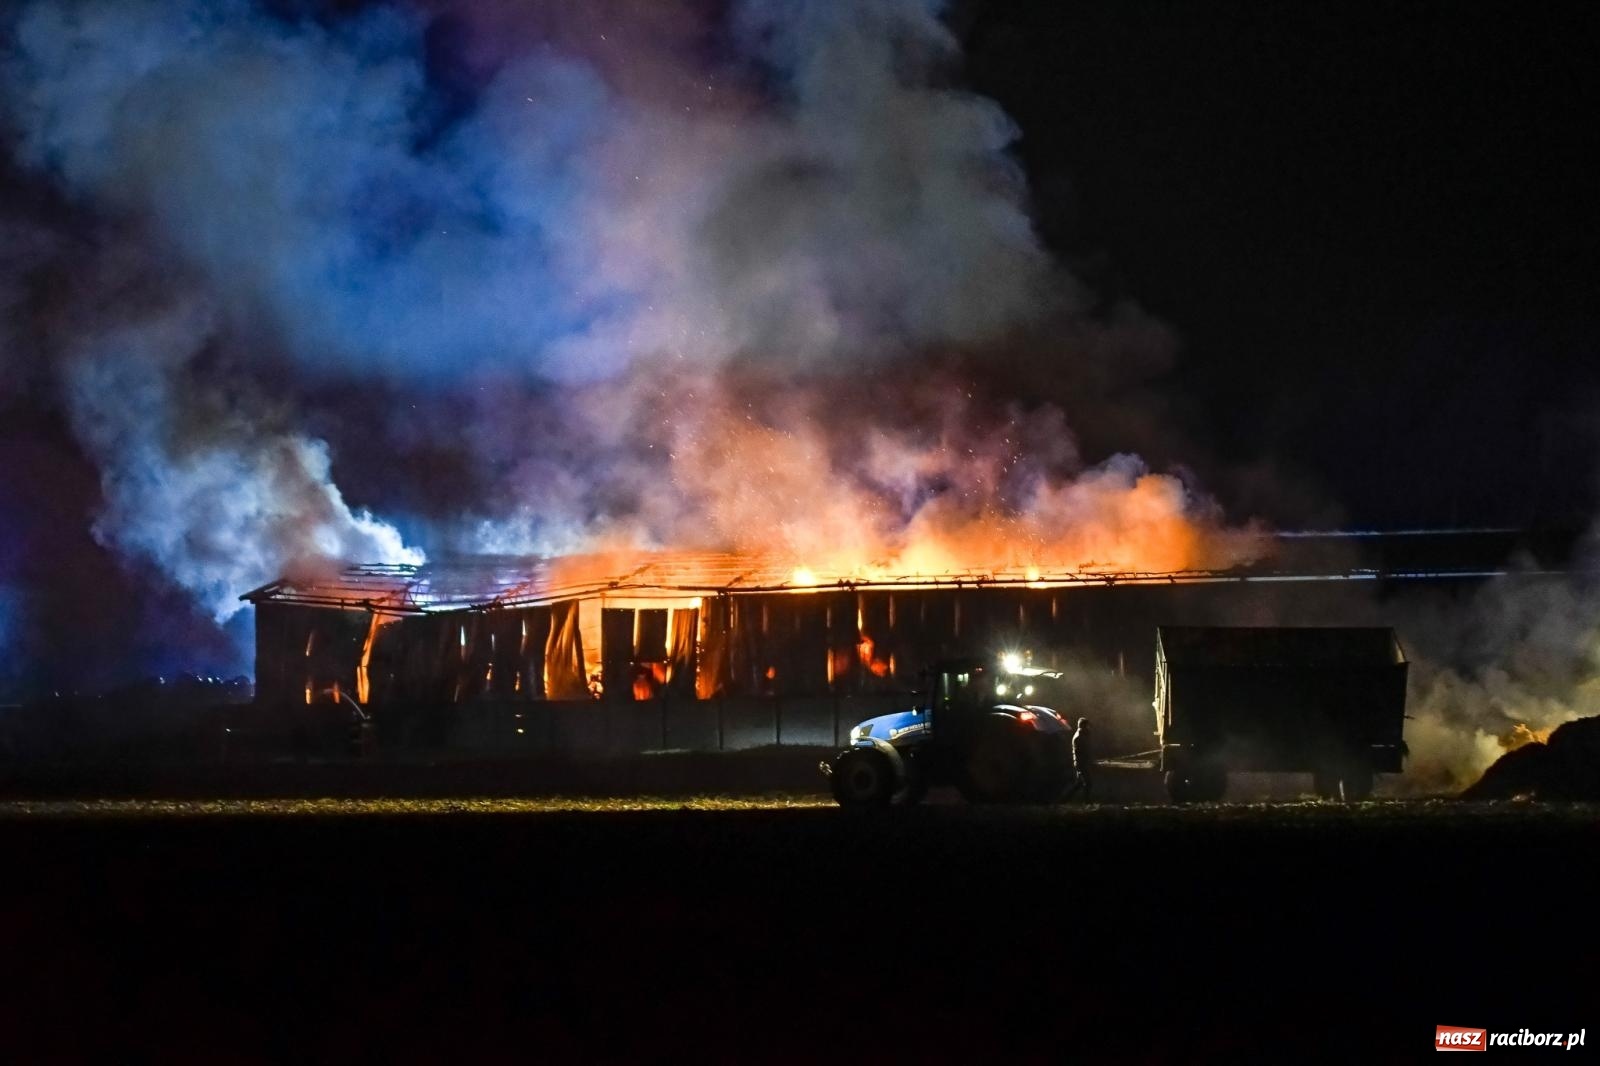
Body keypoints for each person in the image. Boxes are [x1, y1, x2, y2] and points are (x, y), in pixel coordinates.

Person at [1065, 717, 1092, 801]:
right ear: (1083, 726)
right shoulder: (1079, 737)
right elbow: (1082, 752)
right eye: (1087, 726)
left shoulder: (1081, 735)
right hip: (1081, 763)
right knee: (1088, 783)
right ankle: (1087, 802)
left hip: (1080, 762)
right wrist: (1087, 761)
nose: (1088, 728)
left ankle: (1064, 800)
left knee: (1079, 784)